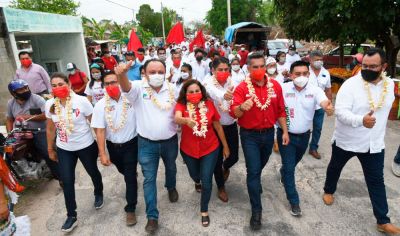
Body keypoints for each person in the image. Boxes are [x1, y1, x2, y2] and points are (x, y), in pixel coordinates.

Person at [322, 48, 400, 234]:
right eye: (364, 65)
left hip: (374, 144)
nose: (367, 69)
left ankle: (382, 220)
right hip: (347, 140)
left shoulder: (389, 86)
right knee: (335, 167)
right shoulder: (350, 85)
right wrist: (361, 121)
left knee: (376, 181)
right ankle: (328, 190)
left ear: (384, 66)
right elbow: (340, 112)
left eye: (373, 66)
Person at [116, 59, 179, 234]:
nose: (157, 75)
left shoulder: (173, 89)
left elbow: (181, 109)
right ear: (144, 73)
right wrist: (121, 74)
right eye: (152, 72)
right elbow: (126, 87)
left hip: (170, 141)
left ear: (166, 73)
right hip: (146, 144)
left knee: (171, 167)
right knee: (149, 179)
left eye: (160, 72)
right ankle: (152, 216)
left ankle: (171, 186)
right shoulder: (137, 87)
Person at [230, 52, 289, 231]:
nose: (259, 69)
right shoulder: (241, 88)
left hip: (268, 133)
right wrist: (242, 107)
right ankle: (257, 210)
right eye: (255, 67)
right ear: (248, 68)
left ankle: (255, 181)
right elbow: (234, 113)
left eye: (262, 66)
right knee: (253, 171)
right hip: (249, 136)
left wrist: (284, 131)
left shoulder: (276, 86)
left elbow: (280, 111)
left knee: (261, 164)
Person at [45, 73, 104, 233]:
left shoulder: (81, 101)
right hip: (64, 148)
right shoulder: (50, 104)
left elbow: (95, 123)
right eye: (54, 85)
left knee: (93, 171)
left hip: (85, 145)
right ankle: (71, 215)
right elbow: (50, 128)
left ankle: (98, 192)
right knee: (67, 180)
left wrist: (101, 147)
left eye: (60, 84)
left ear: (69, 84)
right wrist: (50, 148)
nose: (57, 88)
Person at [278, 61, 334, 217]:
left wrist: (327, 107)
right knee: (290, 169)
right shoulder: (282, 89)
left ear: (308, 75)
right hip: (285, 135)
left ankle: (283, 171)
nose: (301, 77)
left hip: (304, 136)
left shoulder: (315, 90)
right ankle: (294, 201)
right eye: (297, 74)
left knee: (291, 164)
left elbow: (324, 101)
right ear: (290, 75)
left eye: (304, 74)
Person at [174, 79, 230, 227]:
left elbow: (218, 127)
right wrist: (185, 120)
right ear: (185, 94)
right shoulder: (181, 105)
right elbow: (177, 117)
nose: (194, 94)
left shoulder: (210, 104)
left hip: (210, 148)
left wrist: (225, 146)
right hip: (188, 149)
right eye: (191, 92)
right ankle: (196, 181)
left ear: (202, 92)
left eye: (197, 91)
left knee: (207, 179)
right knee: (195, 176)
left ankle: (204, 210)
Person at [91, 70, 139, 226]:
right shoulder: (100, 105)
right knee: (123, 170)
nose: (111, 85)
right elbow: (99, 130)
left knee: (130, 177)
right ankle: (129, 173)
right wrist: (102, 153)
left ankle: (130, 209)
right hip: (114, 146)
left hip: (132, 143)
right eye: (107, 83)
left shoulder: (131, 98)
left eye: (114, 82)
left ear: (120, 81)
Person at [6, 79, 60, 180]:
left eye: (26, 88)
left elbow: (46, 115)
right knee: (9, 153)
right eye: (21, 90)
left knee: (48, 152)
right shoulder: (10, 103)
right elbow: (9, 119)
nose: (25, 90)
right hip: (20, 133)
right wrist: (10, 134)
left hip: (40, 131)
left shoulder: (36, 98)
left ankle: (61, 177)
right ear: (14, 93)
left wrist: (27, 117)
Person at [204, 58, 239, 203]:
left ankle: (226, 166)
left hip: (230, 125)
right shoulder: (207, 82)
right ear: (213, 70)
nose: (224, 72)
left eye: (226, 69)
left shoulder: (234, 82)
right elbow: (211, 92)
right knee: (216, 160)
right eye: (220, 69)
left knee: (234, 156)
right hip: (214, 127)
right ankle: (221, 187)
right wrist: (223, 95)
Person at [308, 50, 332, 159]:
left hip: (320, 106)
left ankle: (313, 148)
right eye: (316, 60)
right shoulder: (305, 71)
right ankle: (299, 145)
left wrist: (329, 105)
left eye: (320, 60)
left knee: (318, 128)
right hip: (306, 105)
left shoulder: (325, 73)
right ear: (310, 60)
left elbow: (328, 89)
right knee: (303, 127)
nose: (319, 62)